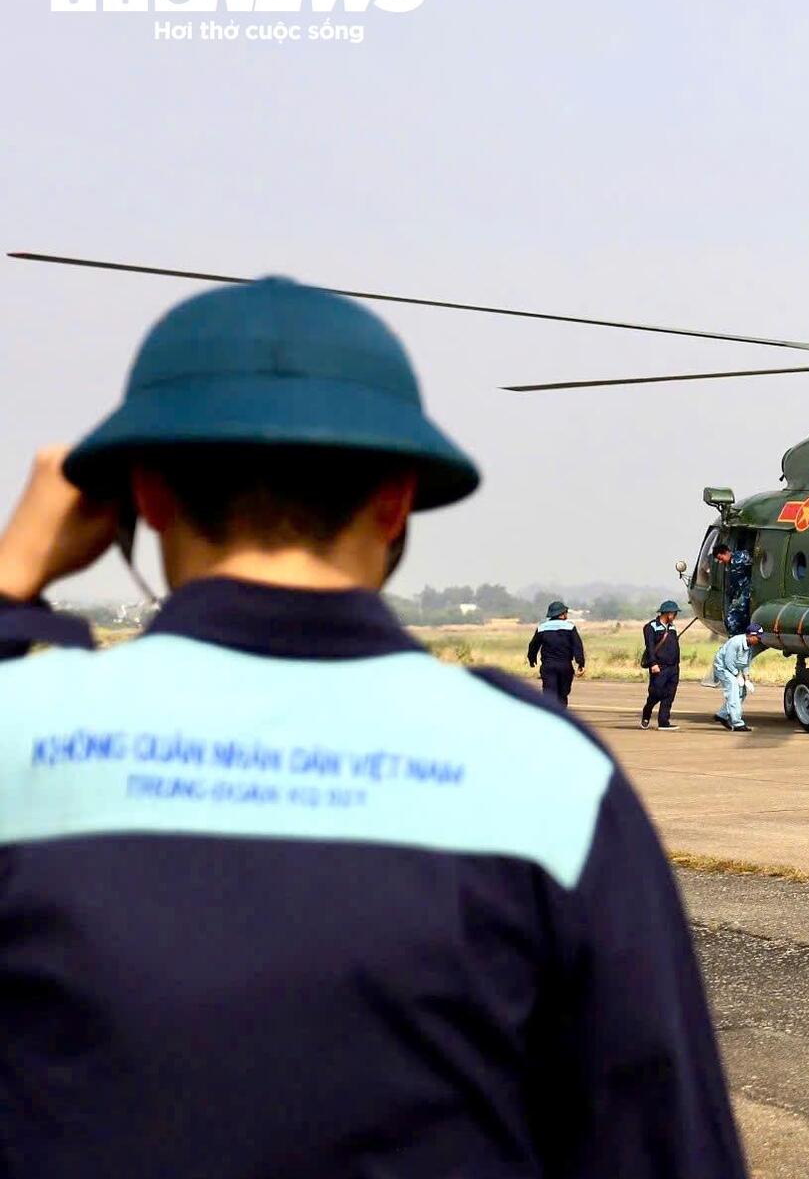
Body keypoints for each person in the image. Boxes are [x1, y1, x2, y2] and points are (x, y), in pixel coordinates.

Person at [0, 277, 745, 1179]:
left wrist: (12, 582)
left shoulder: (22, 729)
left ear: (145, 497)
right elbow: (665, 1144)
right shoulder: (542, 771)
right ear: (396, 501)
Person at [527, 597, 586, 707]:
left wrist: (532, 659)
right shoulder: (570, 627)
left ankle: (551, 714)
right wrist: (580, 663)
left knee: (549, 695)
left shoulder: (542, 628)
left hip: (548, 667)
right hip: (565, 667)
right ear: (562, 614)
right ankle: (561, 713)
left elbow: (533, 646)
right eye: (566, 612)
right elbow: (577, 646)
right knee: (562, 695)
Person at [709, 622, 763, 732]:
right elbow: (728, 661)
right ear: (750, 635)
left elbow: (745, 663)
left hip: (734, 669)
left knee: (742, 692)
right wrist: (737, 675)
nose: (759, 640)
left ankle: (722, 715)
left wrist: (747, 679)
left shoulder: (750, 646)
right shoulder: (736, 642)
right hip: (723, 668)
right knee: (733, 691)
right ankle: (737, 723)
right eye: (758, 637)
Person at [642, 598, 683, 730]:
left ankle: (664, 722)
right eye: (674, 613)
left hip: (673, 667)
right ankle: (647, 711)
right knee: (656, 692)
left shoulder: (672, 627)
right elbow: (650, 647)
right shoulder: (651, 627)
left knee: (670, 694)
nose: (675, 616)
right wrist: (653, 663)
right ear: (668, 613)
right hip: (659, 666)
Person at [711, 540, 752, 634]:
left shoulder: (741, 557)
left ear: (726, 552)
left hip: (747, 593)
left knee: (732, 619)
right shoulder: (730, 565)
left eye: (721, 558)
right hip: (740, 594)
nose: (721, 562)